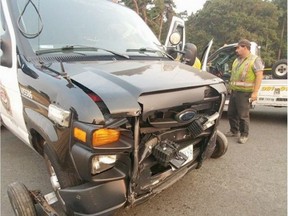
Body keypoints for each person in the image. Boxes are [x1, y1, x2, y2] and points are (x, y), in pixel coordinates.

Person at [225, 39, 264, 144]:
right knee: (231, 113)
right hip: (234, 91)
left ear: (245, 47)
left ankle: (244, 134)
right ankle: (234, 131)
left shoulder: (254, 59)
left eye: (238, 48)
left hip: (244, 92)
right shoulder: (237, 60)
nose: (236, 50)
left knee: (243, 115)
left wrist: (255, 92)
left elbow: (259, 75)